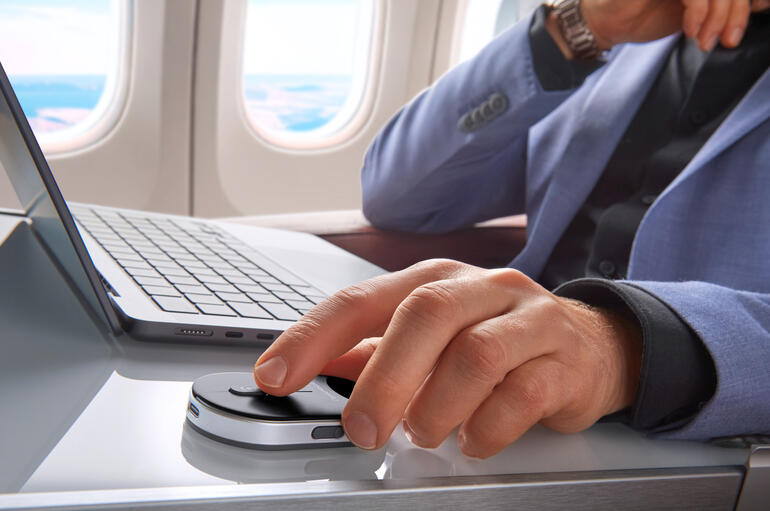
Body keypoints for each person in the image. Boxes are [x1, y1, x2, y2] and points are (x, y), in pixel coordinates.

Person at [254, 0, 770, 459]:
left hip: (680, 447)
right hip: (483, 391)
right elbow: (397, 196)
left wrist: (627, 349)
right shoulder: (622, 37)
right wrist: (573, 29)